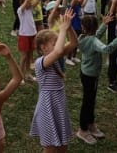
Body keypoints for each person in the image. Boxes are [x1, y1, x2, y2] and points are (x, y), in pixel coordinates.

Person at [76, 14, 117, 145]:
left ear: (83, 28)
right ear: (94, 27)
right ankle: (83, 130)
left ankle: (90, 124)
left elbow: (95, 37)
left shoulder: (82, 37)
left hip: (86, 74)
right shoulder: (93, 41)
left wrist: (104, 25)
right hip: (90, 76)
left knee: (90, 100)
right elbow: (107, 49)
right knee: (88, 102)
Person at [30, 10, 77, 153]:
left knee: (62, 145)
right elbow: (57, 51)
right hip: (47, 108)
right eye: (56, 42)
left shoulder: (56, 57)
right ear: (44, 47)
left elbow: (74, 42)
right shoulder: (41, 62)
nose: (60, 45)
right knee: (50, 148)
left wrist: (68, 28)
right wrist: (61, 30)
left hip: (58, 105)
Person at [17, 0, 39, 83]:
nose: (30, 2)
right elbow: (27, 0)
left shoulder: (30, 9)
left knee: (30, 55)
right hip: (24, 35)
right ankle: (20, 76)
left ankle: (28, 74)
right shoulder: (20, 10)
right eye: (28, 1)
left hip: (32, 34)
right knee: (24, 56)